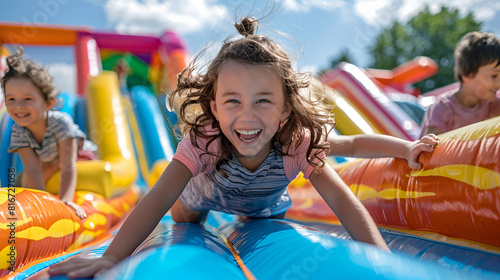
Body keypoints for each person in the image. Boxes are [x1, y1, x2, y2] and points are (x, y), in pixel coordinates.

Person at [48, 17, 438, 278]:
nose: (247, 116)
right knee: (184, 213)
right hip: (199, 200)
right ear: (214, 106)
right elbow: (158, 197)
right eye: (233, 101)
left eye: (263, 101)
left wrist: (403, 151)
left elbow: (347, 169)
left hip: (263, 207)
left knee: (264, 220)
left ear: (286, 108)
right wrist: (113, 256)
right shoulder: (206, 140)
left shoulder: (294, 143)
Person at [1, 47, 97, 219]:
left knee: (49, 169)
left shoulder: (60, 122)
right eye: (11, 99)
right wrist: (41, 205)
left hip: (79, 157)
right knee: (22, 181)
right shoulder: (18, 129)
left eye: (28, 99)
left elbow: (68, 166)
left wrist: (65, 201)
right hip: (49, 162)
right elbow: (32, 169)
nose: (18, 106)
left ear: (48, 103)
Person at [420, 31, 500, 136]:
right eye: (494, 76)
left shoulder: (491, 104)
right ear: (467, 74)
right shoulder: (443, 108)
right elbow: (427, 148)